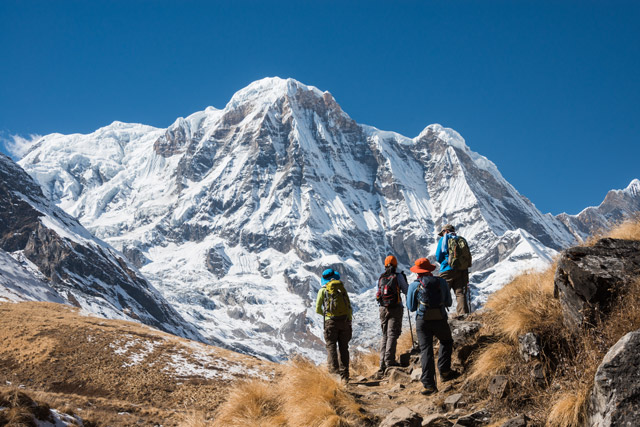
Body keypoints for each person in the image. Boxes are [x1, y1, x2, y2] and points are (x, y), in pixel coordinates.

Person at [406, 257, 457, 395]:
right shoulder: (441, 282)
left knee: (425, 350)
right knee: (446, 341)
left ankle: (429, 385)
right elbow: (448, 302)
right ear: (430, 269)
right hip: (440, 318)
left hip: (422, 321)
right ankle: (445, 371)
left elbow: (411, 307)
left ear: (417, 272)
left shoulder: (414, 285)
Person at [315, 268, 353, 382]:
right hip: (345, 321)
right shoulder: (341, 289)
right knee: (344, 348)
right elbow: (349, 307)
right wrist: (348, 320)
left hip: (330, 322)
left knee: (331, 347)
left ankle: (334, 375)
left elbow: (318, 309)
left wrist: (327, 315)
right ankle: (345, 375)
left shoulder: (323, 291)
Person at [375, 255, 409, 375]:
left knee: (385, 335)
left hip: (383, 308)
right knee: (392, 334)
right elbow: (406, 290)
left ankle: (382, 363)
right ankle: (390, 361)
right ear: (395, 265)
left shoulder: (381, 277)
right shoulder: (398, 276)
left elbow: (378, 293)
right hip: (395, 308)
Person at [435, 224, 470, 315]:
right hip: (461, 270)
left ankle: (440, 316)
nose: (442, 235)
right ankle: (463, 314)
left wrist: (446, 262)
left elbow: (438, 256)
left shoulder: (443, 239)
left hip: (447, 270)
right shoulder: (461, 239)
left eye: (442, 233)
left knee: (441, 293)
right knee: (460, 293)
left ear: (445, 231)